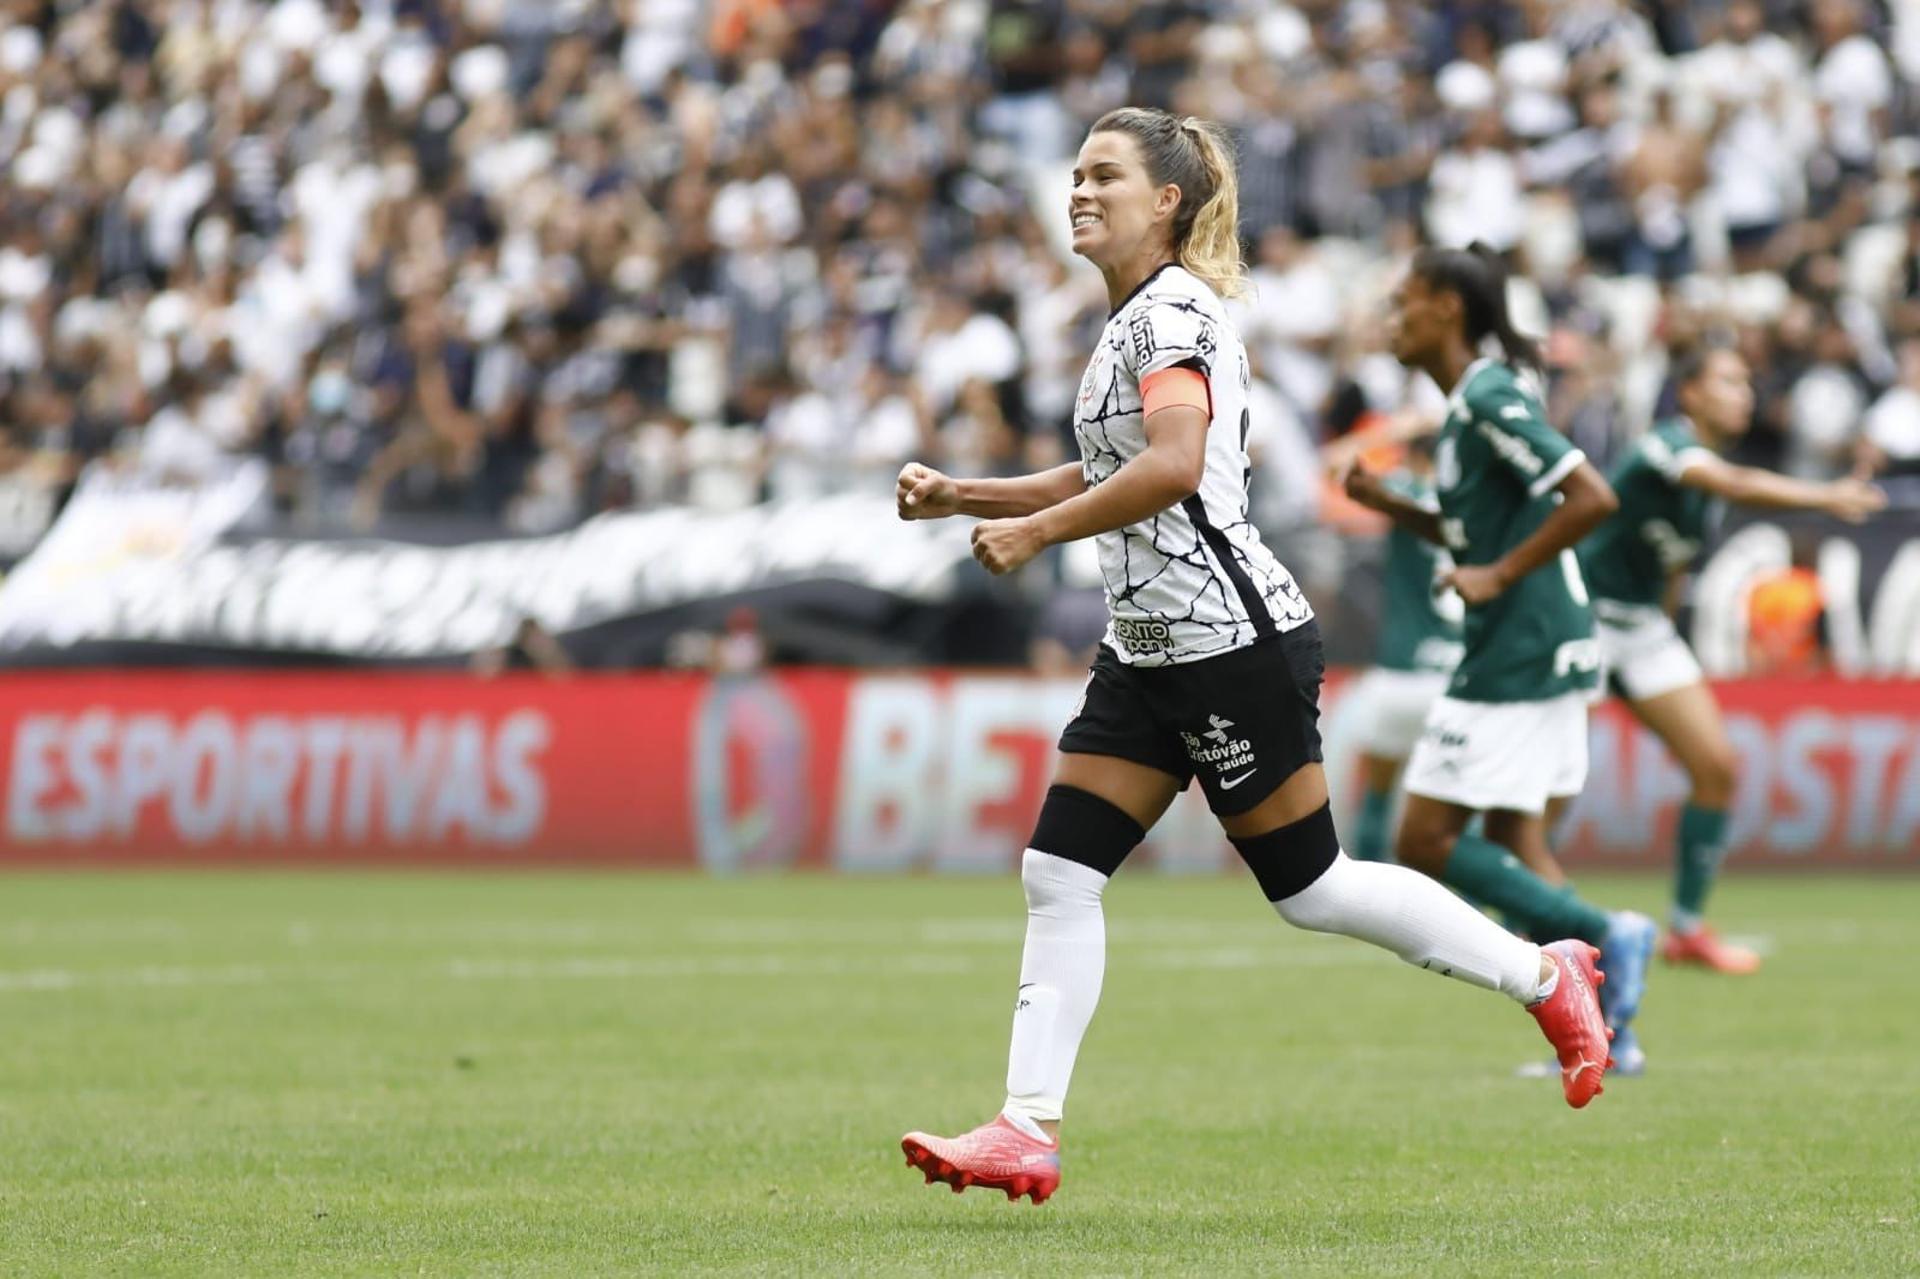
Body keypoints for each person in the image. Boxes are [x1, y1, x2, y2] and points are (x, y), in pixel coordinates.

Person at [892, 110, 1617, 1208]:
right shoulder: (1135, 318)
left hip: (1232, 646)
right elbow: (1109, 466)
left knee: (1313, 889)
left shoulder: (1171, 312)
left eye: (1106, 175)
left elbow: (1175, 465)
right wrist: (969, 495)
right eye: (1076, 172)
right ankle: (1025, 1129)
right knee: (1060, 871)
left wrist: (1038, 534)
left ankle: (1543, 971)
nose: (1079, 190)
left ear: (1168, 201)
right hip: (1148, 653)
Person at [1342, 244, 1658, 1074]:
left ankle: (1604, 932)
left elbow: (1592, 494)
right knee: (1517, 841)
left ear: (1448, 308)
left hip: (1521, 643)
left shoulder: (1485, 394)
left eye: (1404, 302)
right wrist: (1394, 503)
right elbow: (1470, 531)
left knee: (1425, 837)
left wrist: (1498, 575)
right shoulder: (1462, 411)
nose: (1392, 320)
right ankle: (1605, 1031)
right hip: (1532, 640)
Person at [1579, 346, 1884, 970]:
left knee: (1715, 766)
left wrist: (1663, 628)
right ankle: (1518, 916)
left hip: (1641, 633)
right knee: (1544, 787)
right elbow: (1737, 484)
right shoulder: (1665, 445)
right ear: (1688, 393)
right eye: (1727, 380)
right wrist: (1828, 496)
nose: (1743, 393)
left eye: (1747, 382)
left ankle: (1688, 930)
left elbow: (1672, 564)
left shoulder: (1704, 474)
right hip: (1581, 624)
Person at [1340, 434, 1465, 864]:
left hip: (1400, 671)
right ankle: (1466, 909)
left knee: (1378, 791)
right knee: (1457, 806)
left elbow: (1333, 469)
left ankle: (1365, 899)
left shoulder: (1402, 489)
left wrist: (1399, 423)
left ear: (1413, 456)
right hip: (1454, 675)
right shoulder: (1469, 502)